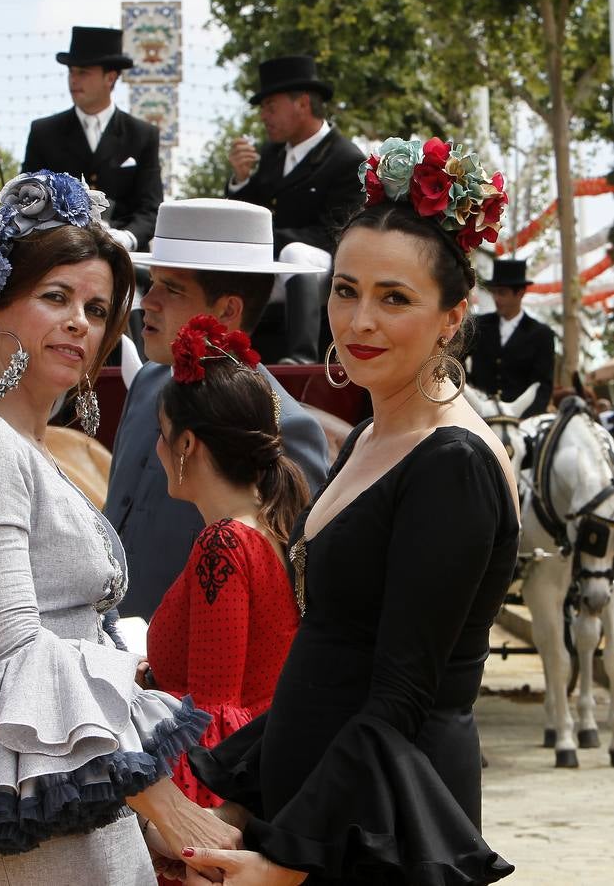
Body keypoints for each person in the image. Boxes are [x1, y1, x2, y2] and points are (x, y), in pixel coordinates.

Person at [0, 171, 240, 884]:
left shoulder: (15, 442)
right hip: (35, 829)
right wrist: (165, 807)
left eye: (97, 309)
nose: (80, 324)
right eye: (55, 297)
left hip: (69, 800)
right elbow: (17, 652)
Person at [174, 137, 520, 885]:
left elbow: (398, 697)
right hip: (320, 812)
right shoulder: (372, 432)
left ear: (451, 317)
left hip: (383, 831)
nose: (358, 319)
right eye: (344, 288)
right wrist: (241, 802)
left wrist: (285, 862)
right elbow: (329, 656)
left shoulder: (451, 463)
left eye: (393, 298)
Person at [104, 198, 329, 622]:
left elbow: (285, 601)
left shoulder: (284, 426)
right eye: (152, 283)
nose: (147, 301)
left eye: (172, 288)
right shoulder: (149, 384)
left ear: (227, 311)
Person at [144, 316, 308, 817]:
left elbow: (215, 721)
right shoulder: (269, 528)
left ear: (186, 445)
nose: (157, 448)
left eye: (162, 434)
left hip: (223, 803)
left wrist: (191, 834)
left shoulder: (224, 542)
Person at [227, 55, 365, 362]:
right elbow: (250, 215)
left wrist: (274, 241)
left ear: (302, 103)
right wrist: (240, 179)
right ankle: (224, 352)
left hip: (323, 267)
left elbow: (336, 234)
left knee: (296, 255)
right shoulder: (272, 155)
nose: (263, 116)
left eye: (270, 107)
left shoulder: (346, 158)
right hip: (273, 268)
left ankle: (302, 355)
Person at [22, 26, 162, 253]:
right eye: (71, 72)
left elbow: (150, 208)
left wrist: (126, 238)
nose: (74, 80)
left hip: (125, 260)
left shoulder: (143, 134)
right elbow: (27, 199)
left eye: (83, 72)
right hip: (59, 254)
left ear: (110, 77)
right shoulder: (44, 132)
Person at [467, 258, 555, 419]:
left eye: (502, 293)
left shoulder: (542, 334)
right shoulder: (478, 325)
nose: (496, 299)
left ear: (520, 293)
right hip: (479, 416)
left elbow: (542, 386)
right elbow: (457, 364)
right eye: (494, 292)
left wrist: (522, 421)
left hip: (520, 421)